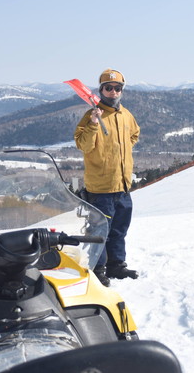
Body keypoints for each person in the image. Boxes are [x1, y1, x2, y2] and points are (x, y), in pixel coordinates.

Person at [74, 68, 140, 287]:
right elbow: (83, 145)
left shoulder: (126, 115)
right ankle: (98, 268)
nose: (113, 92)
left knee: (119, 229)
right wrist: (93, 123)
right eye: (108, 88)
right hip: (100, 188)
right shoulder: (91, 115)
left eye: (117, 88)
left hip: (122, 185)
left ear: (122, 90)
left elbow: (135, 133)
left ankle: (116, 265)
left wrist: (123, 150)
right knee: (100, 231)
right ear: (101, 90)